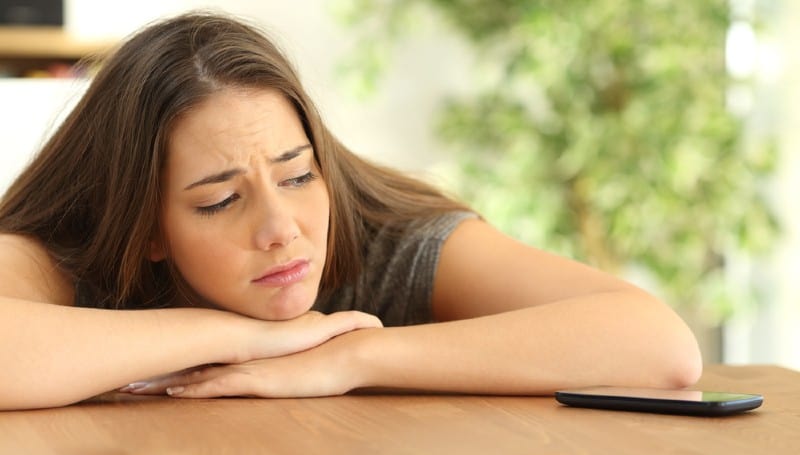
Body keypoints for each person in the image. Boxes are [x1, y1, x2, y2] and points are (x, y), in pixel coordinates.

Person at [0, 12, 701, 411]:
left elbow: (659, 346)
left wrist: (352, 356)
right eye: (220, 199)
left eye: (298, 175)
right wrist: (236, 336)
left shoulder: (388, 239)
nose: (283, 229)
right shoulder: (70, 246)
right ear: (145, 225)